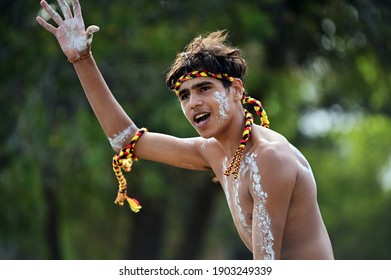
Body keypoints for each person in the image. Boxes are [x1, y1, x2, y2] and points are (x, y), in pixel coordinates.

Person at [36, 0, 334, 260]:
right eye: (185, 95)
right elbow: (126, 141)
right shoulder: (215, 151)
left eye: (204, 88)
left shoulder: (269, 158)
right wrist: (81, 59)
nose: (194, 102)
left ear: (236, 90)